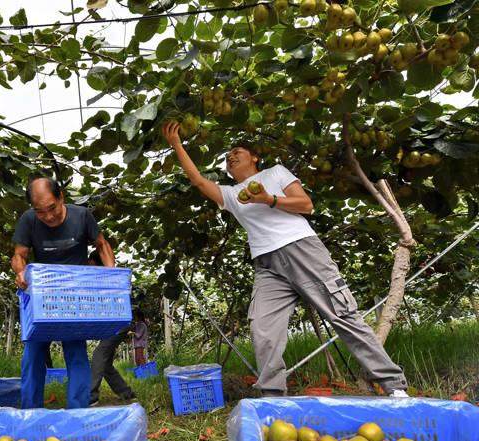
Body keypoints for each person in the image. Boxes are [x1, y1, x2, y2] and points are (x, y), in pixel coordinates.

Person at [161, 120, 409, 398]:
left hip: (302, 249)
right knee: (262, 327)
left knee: (343, 316)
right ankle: (272, 395)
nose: (230, 157)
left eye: (237, 151)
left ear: (255, 157)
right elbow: (197, 180)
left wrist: (269, 199)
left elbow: (306, 205)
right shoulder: (231, 195)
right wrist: (176, 145)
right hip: (266, 264)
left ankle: (393, 386)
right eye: (227, 158)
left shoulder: (275, 173)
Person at [11, 175, 115, 408]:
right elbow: (19, 255)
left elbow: (102, 245)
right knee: (33, 352)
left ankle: (78, 409)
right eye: (40, 211)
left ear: (61, 198)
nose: (47, 216)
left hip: (73, 298)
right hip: (42, 297)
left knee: (76, 352)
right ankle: (30, 410)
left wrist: (111, 278)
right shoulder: (28, 221)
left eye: (51, 208)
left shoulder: (82, 216)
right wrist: (20, 272)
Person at [87, 251, 136, 407]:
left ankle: (91, 396)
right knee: (105, 363)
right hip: (117, 324)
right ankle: (126, 393)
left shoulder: (107, 280)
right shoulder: (108, 280)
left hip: (118, 324)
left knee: (99, 355)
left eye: (90, 263)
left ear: (95, 263)